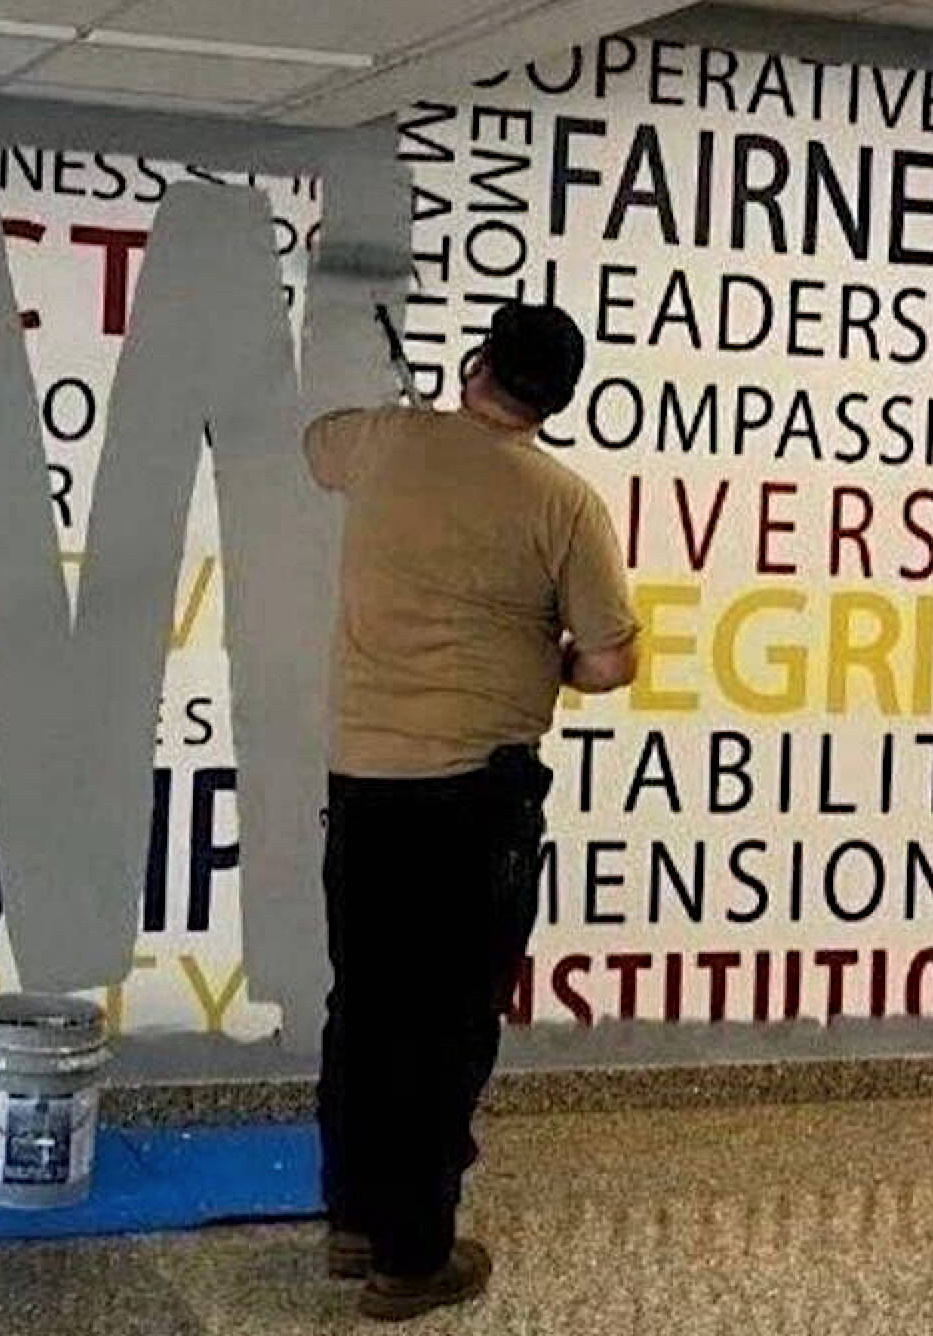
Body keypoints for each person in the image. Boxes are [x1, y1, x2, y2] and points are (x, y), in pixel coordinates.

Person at [306, 301, 638, 1322]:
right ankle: (412, 1259)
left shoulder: (382, 443)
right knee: (442, 1024)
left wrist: (406, 431)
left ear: (478, 362)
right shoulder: (565, 502)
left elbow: (318, 446)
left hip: (365, 788)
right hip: (475, 804)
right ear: (558, 399)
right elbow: (613, 659)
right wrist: (554, 658)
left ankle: (354, 1222)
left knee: (363, 1006)